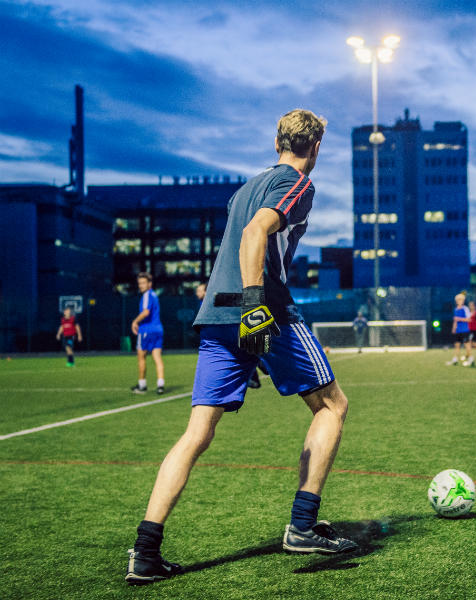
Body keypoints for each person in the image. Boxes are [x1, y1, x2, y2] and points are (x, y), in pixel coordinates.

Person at [125, 109, 357, 585]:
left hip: (216, 315)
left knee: (196, 434)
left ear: (277, 143)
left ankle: (144, 551)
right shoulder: (299, 184)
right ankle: (303, 524)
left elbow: (234, 241)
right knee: (331, 405)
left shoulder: (244, 189)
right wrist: (255, 309)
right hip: (263, 311)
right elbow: (255, 234)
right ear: (315, 148)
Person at [199, 281, 261, 389]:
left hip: (233, 326)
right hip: (219, 331)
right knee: (242, 352)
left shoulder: (216, 297)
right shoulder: (205, 302)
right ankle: (253, 374)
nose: (197, 293)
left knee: (245, 350)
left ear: (206, 291)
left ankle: (260, 365)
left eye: (199, 291)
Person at [130, 272, 166, 395]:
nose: (141, 285)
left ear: (149, 284)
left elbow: (145, 312)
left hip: (147, 330)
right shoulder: (155, 295)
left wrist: (135, 321)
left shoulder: (147, 295)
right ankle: (160, 384)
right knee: (157, 357)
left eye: (143, 283)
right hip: (158, 329)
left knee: (141, 357)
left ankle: (142, 385)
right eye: (139, 283)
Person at [447, 292, 473, 367]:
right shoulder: (455, 309)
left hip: (465, 330)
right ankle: (455, 359)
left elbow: (469, 320)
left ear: (463, 301)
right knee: (457, 345)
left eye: (461, 300)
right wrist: (454, 328)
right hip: (458, 331)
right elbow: (455, 320)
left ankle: (471, 359)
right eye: (458, 300)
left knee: (467, 345)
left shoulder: (465, 309)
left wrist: (459, 319)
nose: (459, 301)